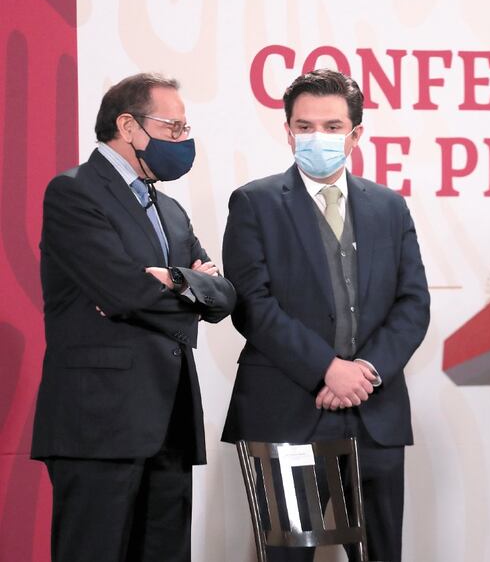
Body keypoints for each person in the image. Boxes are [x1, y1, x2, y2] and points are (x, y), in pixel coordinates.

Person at [222, 68, 430, 562]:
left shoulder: (389, 207)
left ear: (356, 134)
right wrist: (328, 368)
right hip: (288, 411)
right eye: (305, 126)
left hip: (374, 412)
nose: (318, 137)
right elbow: (253, 305)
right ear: (288, 130)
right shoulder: (255, 202)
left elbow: (413, 302)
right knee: (287, 555)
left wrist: (365, 372)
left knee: (382, 554)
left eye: (333, 127)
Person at [31, 73, 236, 562]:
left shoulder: (170, 209)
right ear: (128, 125)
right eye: (174, 127)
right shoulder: (73, 192)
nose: (183, 141)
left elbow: (224, 298)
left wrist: (176, 280)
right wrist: (185, 285)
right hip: (99, 423)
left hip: (170, 421)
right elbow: (122, 291)